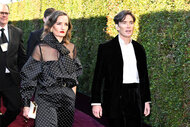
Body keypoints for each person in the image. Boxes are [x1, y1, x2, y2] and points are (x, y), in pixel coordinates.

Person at [20, 10, 83, 127]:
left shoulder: (71, 48)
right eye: (59, 23)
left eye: (66, 24)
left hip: (67, 99)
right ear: (51, 26)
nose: (62, 27)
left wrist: (72, 97)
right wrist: (26, 103)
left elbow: (73, 76)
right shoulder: (41, 49)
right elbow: (28, 77)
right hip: (46, 98)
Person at [91, 10, 151, 127]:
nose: (128, 26)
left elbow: (144, 76)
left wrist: (146, 100)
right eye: (124, 22)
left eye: (131, 22)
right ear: (117, 27)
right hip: (115, 96)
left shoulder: (139, 48)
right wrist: (96, 102)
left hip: (135, 95)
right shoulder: (106, 48)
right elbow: (98, 77)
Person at [0, 3, 26, 127]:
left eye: (6, 13)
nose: (4, 15)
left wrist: (22, 74)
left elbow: (22, 56)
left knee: (15, 108)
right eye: (1, 12)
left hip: (10, 79)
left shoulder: (17, 32)